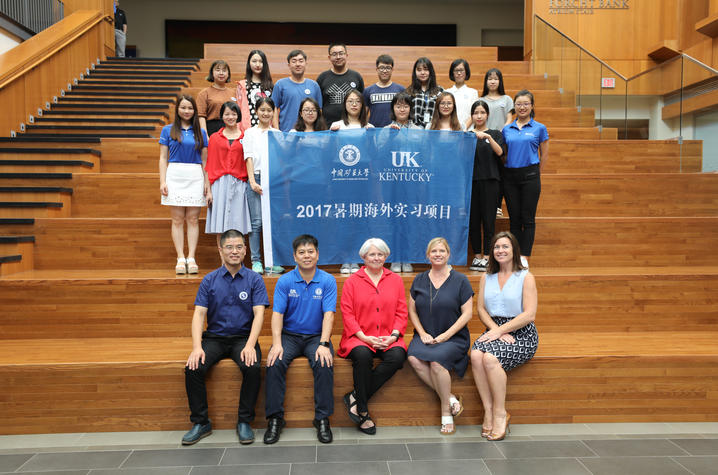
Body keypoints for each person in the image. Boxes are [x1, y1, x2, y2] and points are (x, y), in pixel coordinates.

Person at [182, 230, 268, 446]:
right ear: (220, 250)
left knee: (252, 366)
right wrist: (196, 347)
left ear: (245, 250)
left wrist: (250, 345)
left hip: (243, 337)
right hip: (214, 338)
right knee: (193, 367)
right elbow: (199, 314)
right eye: (229, 247)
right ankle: (201, 422)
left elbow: (259, 314)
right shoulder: (209, 280)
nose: (234, 251)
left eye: (239, 247)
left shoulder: (254, 279)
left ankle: (244, 422)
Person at [264, 234, 337, 444]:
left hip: (316, 337)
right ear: (295, 257)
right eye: (302, 252)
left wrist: (324, 344)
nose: (307, 256)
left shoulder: (327, 280)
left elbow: (328, 315)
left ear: (317, 254)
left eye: (310, 251)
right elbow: (277, 314)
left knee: (324, 362)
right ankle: (275, 419)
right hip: (290, 336)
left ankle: (322, 419)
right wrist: (276, 343)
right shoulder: (285, 280)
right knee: (274, 362)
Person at [470, 231, 538, 441]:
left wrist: (502, 331)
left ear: (514, 250)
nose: (500, 250)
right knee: (475, 355)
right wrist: (495, 330)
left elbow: (529, 314)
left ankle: (501, 413)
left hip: (521, 332)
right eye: (496, 247)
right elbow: (481, 309)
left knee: (490, 358)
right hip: (494, 327)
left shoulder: (525, 277)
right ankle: (488, 411)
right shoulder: (486, 277)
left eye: (505, 246)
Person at [338, 238, 408, 435]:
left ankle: (355, 397)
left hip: (388, 336)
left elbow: (401, 312)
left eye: (380, 254)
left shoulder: (395, 279)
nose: (376, 258)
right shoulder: (352, 281)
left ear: (386, 257)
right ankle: (363, 411)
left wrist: (393, 336)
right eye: (372, 254)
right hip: (359, 337)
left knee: (397, 357)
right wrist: (364, 337)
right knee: (362, 356)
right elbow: (347, 313)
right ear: (363, 257)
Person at [407, 237, 474, 435]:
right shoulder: (419, 279)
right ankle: (452, 398)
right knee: (413, 358)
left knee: (436, 363)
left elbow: (467, 314)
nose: (438, 254)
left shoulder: (461, 280)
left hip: (453, 337)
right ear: (428, 256)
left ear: (448, 254)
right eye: (434, 251)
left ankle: (446, 412)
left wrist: (446, 335)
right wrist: (422, 333)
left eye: (442, 251)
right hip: (425, 335)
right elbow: (412, 311)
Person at [159, 94, 210, 275]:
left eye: (190, 108)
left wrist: (207, 183)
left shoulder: (201, 132)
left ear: (194, 111)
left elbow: (205, 161)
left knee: (193, 219)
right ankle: (180, 257)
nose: (186, 111)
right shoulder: (167, 130)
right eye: (183, 107)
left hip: (195, 175)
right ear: (177, 109)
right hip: (175, 174)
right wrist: (163, 181)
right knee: (178, 219)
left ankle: (191, 257)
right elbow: (163, 157)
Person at [501, 90, 549, 268]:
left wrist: (537, 174)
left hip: (531, 176)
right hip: (510, 176)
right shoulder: (507, 129)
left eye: (526, 104)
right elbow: (503, 154)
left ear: (532, 106)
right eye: (519, 104)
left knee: (528, 219)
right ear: (514, 106)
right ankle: (514, 256)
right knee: (514, 219)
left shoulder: (539, 128)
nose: (522, 107)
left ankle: (525, 257)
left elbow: (544, 155)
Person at [329, 89, 373, 275]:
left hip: (362, 181)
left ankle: (357, 258)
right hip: (341, 180)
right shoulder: (336, 125)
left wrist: (373, 137)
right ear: (345, 104)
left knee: (360, 220)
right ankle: (345, 259)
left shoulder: (369, 127)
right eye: (350, 101)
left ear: (362, 105)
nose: (354, 104)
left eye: (357, 101)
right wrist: (331, 136)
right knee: (343, 221)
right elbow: (329, 153)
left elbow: (373, 155)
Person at [242, 97, 283, 275]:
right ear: (256, 112)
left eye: (269, 110)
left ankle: (272, 261)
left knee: (272, 222)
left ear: (273, 112)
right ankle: (256, 261)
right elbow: (248, 157)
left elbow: (281, 160)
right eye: (262, 110)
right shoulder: (250, 133)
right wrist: (252, 181)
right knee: (257, 222)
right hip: (256, 176)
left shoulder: (277, 134)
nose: (266, 113)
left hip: (273, 178)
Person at [205, 102, 251, 247]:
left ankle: (238, 260)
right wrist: (208, 190)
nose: (230, 117)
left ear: (238, 115)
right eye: (227, 114)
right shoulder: (214, 138)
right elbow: (209, 164)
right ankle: (223, 263)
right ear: (222, 116)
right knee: (220, 226)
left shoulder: (246, 137)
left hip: (239, 183)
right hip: (219, 184)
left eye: (233, 113)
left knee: (239, 223)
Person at [468, 100, 505, 271]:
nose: (479, 116)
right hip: (472, 183)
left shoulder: (495, 134)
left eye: (482, 112)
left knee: (489, 221)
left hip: (491, 182)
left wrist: (488, 137)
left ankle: (488, 257)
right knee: (473, 221)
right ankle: (477, 257)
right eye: (476, 113)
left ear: (487, 115)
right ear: (472, 116)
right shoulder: (467, 135)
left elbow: (500, 152)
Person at [481, 68, 513, 218]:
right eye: (489, 78)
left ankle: (498, 206)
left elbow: (509, 118)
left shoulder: (506, 99)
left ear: (500, 81)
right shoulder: (481, 100)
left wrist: (502, 131)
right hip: (483, 139)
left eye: (495, 78)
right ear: (486, 81)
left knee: (500, 172)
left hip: (500, 140)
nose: (492, 81)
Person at [272, 50, 323, 132]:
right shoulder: (280, 84)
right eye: (294, 61)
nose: (298, 64)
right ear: (289, 65)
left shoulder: (314, 85)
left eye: (301, 61)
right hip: (286, 133)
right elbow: (273, 109)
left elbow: (319, 110)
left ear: (306, 63)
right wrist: (277, 132)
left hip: (310, 135)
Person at [317, 43, 365, 125]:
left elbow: (362, 102)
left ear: (346, 55)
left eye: (341, 53)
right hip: (328, 128)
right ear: (329, 57)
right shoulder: (322, 78)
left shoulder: (356, 77)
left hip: (352, 127)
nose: (338, 57)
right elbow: (318, 105)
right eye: (334, 54)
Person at [236, 50, 273, 131]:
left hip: (267, 129)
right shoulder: (242, 85)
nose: (257, 65)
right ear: (249, 63)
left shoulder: (270, 86)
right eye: (254, 61)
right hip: (246, 129)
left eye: (261, 61)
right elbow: (238, 108)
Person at [197, 60, 236, 137]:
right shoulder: (204, 93)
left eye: (224, 70)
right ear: (212, 73)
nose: (221, 73)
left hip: (231, 129)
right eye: (217, 70)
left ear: (228, 74)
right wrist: (205, 136)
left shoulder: (234, 93)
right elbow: (201, 116)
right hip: (212, 129)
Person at [363, 54, 404, 128]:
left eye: (388, 68)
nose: (385, 71)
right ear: (377, 69)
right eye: (381, 68)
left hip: (395, 131)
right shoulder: (367, 91)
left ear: (392, 70)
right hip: (374, 132)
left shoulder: (401, 89)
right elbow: (363, 115)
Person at [406, 57, 443, 129]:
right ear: (415, 72)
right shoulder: (409, 91)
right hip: (414, 131)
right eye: (419, 70)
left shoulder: (440, 91)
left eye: (426, 69)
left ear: (430, 72)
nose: (422, 73)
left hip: (434, 130)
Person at [446, 59, 478, 130]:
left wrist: (464, 128)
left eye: (461, 70)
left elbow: (474, 113)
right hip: (450, 130)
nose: (459, 73)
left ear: (466, 72)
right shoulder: (447, 92)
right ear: (452, 73)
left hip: (467, 131)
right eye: (456, 70)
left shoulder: (473, 92)